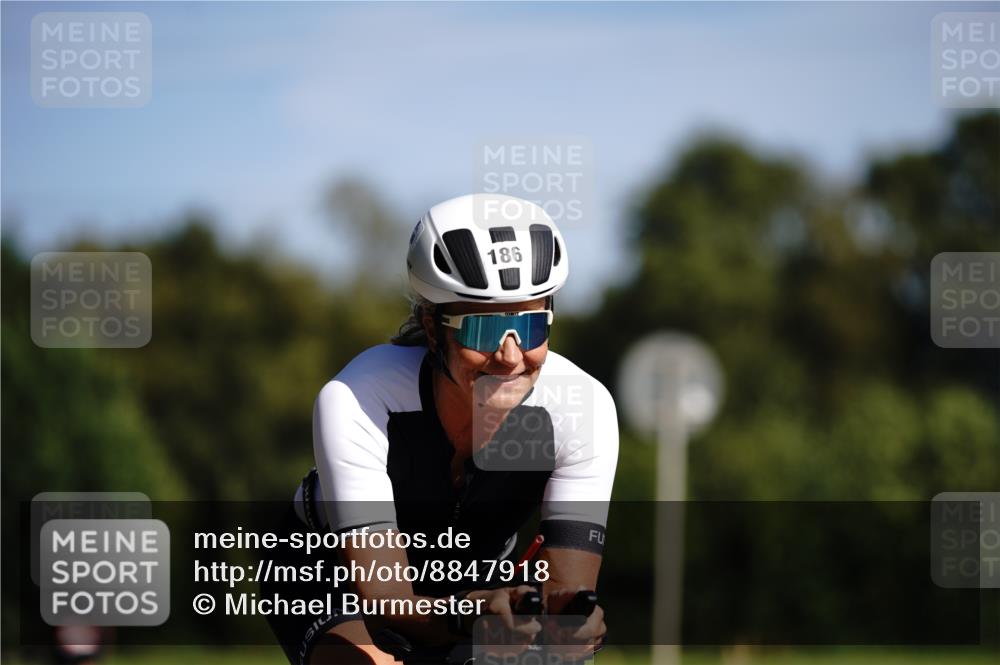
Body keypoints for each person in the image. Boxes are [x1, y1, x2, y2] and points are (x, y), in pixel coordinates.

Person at [265, 193, 619, 665]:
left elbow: (566, 586)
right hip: (332, 573)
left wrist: (569, 623)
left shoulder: (582, 406)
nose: (511, 357)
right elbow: (388, 604)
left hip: (477, 581)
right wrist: (465, 618)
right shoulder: (359, 396)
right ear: (433, 328)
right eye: (483, 331)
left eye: (532, 327)